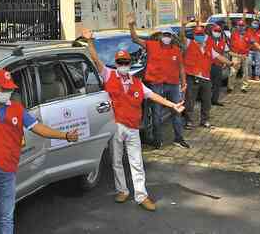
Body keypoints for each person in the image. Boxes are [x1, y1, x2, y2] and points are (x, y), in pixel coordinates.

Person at [0, 33, 79, 234]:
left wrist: (64, 136)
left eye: (10, 89)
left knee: (7, 219)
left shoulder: (17, 110)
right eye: (4, 88)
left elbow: (39, 127)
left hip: (6, 174)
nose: (8, 92)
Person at [82, 28, 185, 212]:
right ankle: (122, 190)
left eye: (126, 62)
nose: (123, 65)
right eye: (120, 62)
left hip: (132, 128)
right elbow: (96, 60)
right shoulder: (109, 75)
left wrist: (172, 105)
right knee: (116, 161)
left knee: (136, 162)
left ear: (129, 63)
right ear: (116, 63)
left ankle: (141, 195)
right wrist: (89, 41)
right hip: (116, 126)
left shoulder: (137, 82)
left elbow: (153, 95)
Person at [128, 14, 189, 149]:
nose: (166, 37)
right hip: (156, 85)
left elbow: (181, 67)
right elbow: (135, 39)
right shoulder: (151, 45)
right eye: (164, 35)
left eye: (169, 35)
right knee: (156, 113)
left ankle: (179, 138)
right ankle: (158, 140)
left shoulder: (176, 50)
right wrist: (131, 25)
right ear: (161, 36)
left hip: (173, 84)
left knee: (176, 111)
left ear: (172, 37)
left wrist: (183, 83)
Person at [181, 24, 236, 129]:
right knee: (190, 101)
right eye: (197, 34)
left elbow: (219, 56)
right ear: (194, 35)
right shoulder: (189, 43)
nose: (200, 36)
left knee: (206, 101)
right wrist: (183, 26)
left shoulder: (208, 47)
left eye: (201, 34)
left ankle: (205, 120)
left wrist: (231, 64)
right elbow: (181, 37)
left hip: (205, 77)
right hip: (192, 77)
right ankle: (189, 121)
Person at [228, 17, 251, 93]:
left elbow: (251, 44)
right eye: (239, 25)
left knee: (245, 72)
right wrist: (228, 16)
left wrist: (246, 53)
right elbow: (229, 24)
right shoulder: (234, 34)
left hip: (245, 55)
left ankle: (244, 87)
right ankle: (230, 87)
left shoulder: (248, 35)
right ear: (237, 26)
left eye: (242, 25)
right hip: (235, 55)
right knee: (233, 71)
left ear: (245, 26)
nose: (241, 27)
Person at [208, 24, 229, 106]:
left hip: (218, 65)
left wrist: (225, 62)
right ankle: (207, 100)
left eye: (219, 31)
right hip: (208, 65)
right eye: (215, 31)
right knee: (208, 84)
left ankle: (215, 100)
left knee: (217, 84)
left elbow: (225, 53)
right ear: (212, 32)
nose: (217, 33)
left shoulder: (223, 42)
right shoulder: (207, 40)